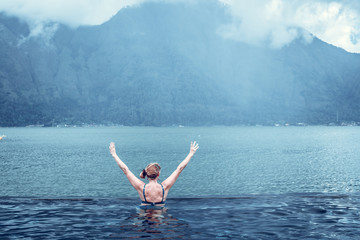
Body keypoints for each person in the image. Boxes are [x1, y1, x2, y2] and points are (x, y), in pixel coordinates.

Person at [109, 141, 199, 207]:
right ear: (158, 174)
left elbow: (125, 170)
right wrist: (191, 154)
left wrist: (114, 155)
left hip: (144, 217)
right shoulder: (165, 187)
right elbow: (179, 169)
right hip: (160, 218)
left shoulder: (141, 187)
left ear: (146, 175)